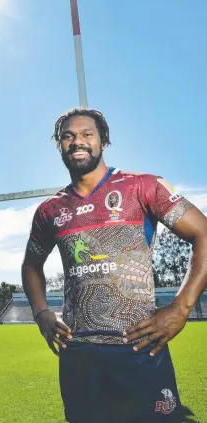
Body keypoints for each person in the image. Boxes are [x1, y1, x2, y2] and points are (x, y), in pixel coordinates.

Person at [21, 107, 207, 423]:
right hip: (78, 355)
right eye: (68, 136)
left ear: (103, 141)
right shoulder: (50, 209)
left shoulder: (144, 186)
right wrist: (41, 313)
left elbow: (203, 233)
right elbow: (31, 266)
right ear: (60, 145)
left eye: (86, 134)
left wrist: (180, 308)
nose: (77, 141)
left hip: (138, 347)